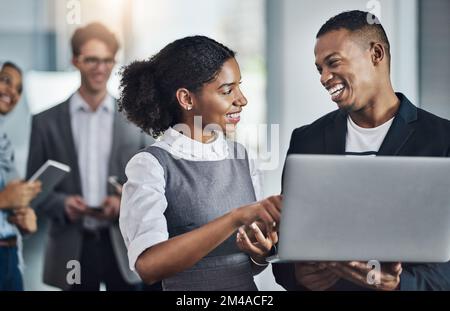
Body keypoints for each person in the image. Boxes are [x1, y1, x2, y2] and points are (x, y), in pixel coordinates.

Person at [273, 10, 450, 291]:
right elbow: (288, 247)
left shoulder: (442, 140)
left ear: (376, 54)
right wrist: (298, 277)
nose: (324, 77)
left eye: (333, 63)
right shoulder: (307, 140)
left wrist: (399, 284)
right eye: (320, 69)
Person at [119, 35, 281, 291]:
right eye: (227, 90)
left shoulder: (243, 157)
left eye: (239, 86)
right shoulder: (151, 165)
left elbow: (249, 264)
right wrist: (234, 219)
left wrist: (262, 251)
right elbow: (149, 267)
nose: (242, 99)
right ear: (186, 99)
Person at [26, 23, 152, 291]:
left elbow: (154, 183)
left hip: (124, 244)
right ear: (75, 61)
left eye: (107, 60)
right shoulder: (45, 122)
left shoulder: (136, 119)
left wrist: (123, 202)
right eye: (91, 60)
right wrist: (62, 203)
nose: (100, 68)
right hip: (73, 246)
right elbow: (34, 189)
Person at [0, 61, 41, 291]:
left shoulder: (4, 145)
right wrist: (3, 200)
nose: (12, 92)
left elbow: (12, 201)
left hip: (10, 256)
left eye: (18, 89)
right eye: (5, 80)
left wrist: (24, 220)